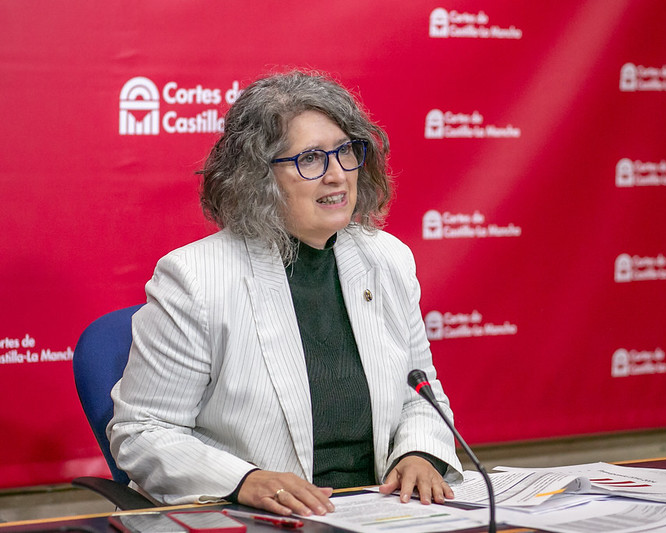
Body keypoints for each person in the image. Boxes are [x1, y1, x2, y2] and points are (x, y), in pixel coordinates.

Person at [107, 70, 463, 517]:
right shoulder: (195, 277)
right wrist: (245, 480)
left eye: (345, 152)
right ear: (257, 177)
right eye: (311, 159)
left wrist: (419, 453)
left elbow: (422, 395)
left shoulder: (387, 258)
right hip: (259, 517)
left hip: (381, 510)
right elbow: (142, 431)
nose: (337, 175)